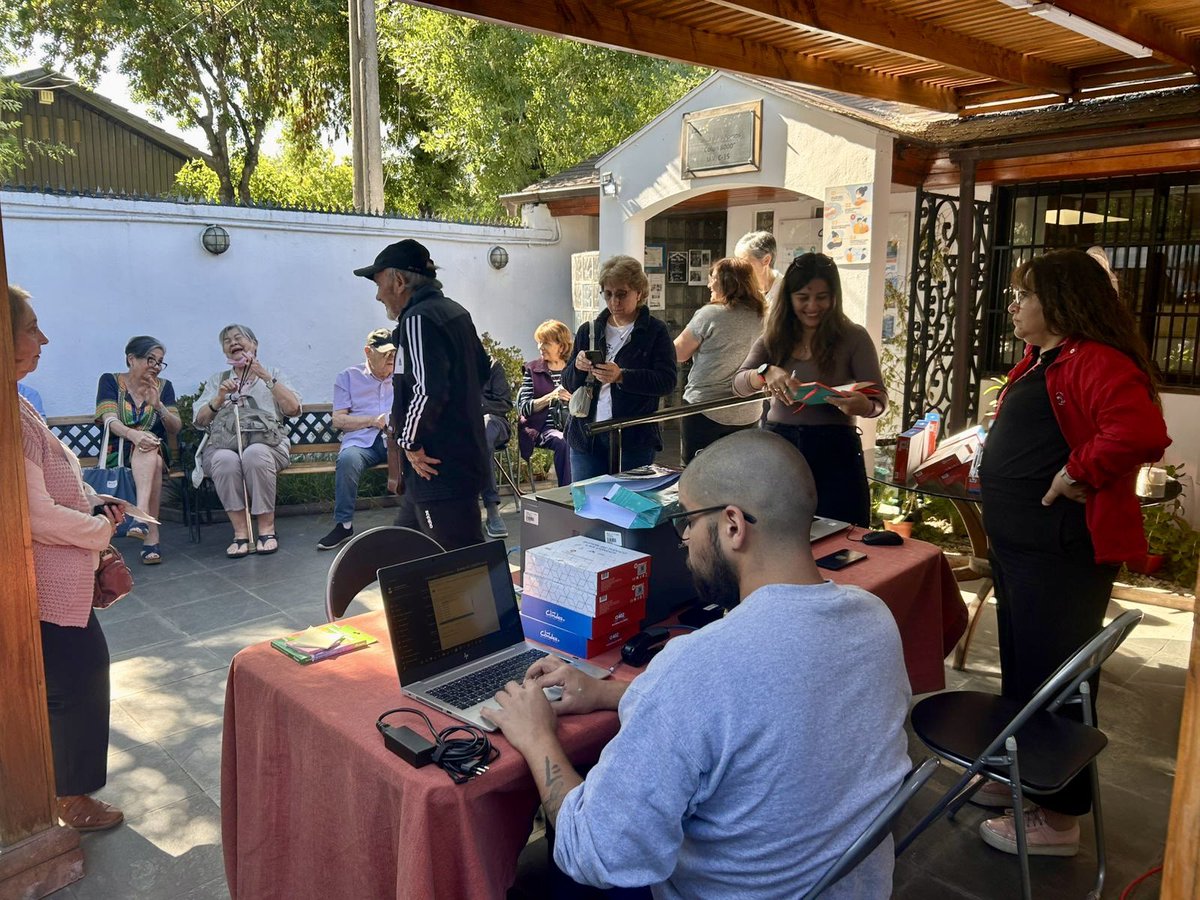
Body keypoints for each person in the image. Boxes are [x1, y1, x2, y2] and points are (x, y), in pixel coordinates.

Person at [486, 430, 911, 898]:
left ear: (733, 525)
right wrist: (612, 693)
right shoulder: (873, 618)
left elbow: (596, 853)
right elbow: (769, 700)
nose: (684, 538)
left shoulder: (699, 666)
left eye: (687, 520)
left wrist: (537, 738)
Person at [973, 248, 1170, 857]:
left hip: (1059, 553)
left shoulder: (1096, 359)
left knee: (1059, 678)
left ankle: (1058, 820)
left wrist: (1076, 471)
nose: (1014, 304)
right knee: (1026, 670)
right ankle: (1024, 777)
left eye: (1024, 294)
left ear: (1059, 302)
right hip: (1023, 549)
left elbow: (1139, 433)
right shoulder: (1043, 359)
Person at [12, 283, 125, 832]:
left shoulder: (14, 402)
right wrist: (97, 530)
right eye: (31, 328)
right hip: (43, 582)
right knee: (77, 680)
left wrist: (93, 502)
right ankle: (71, 798)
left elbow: (46, 492)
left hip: (50, 577)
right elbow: (32, 515)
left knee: (67, 678)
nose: (44, 338)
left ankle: (62, 791)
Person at [354, 238, 491, 550]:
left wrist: (409, 442)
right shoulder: (454, 311)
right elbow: (483, 370)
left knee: (461, 564)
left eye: (379, 284)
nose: (377, 295)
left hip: (436, 467)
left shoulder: (418, 318)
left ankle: (488, 600)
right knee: (403, 552)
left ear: (399, 281)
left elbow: (426, 390)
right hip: (454, 462)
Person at [733, 253, 885, 525]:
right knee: (776, 530)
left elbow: (878, 398)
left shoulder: (854, 337)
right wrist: (766, 372)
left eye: (822, 297)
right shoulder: (774, 337)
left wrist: (866, 405)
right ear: (789, 298)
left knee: (844, 531)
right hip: (780, 448)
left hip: (835, 448)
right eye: (803, 297)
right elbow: (739, 384)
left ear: (834, 297)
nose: (813, 306)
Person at [562, 255, 677, 480]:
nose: (615, 301)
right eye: (608, 294)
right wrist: (577, 366)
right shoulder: (590, 330)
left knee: (628, 507)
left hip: (633, 436)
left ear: (639, 293)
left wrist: (622, 376)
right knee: (587, 507)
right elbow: (567, 382)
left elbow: (667, 381)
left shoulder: (655, 331)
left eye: (622, 294)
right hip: (588, 434)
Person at [193, 324, 302, 558]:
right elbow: (200, 420)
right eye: (227, 341)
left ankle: (266, 530)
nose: (233, 343)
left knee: (255, 454)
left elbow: (293, 409)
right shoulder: (218, 380)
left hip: (269, 444)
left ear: (254, 344)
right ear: (224, 352)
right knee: (224, 460)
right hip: (225, 444)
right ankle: (240, 533)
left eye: (238, 338)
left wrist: (266, 377)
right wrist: (220, 398)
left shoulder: (273, 373)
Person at [94, 336, 181, 564]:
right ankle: (150, 534)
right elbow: (109, 419)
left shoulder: (164, 387)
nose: (156, 367)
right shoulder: (110, 381)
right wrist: (133, 434)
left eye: (160, 362)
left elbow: (175, 427)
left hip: (152, 449)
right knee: (153, 456)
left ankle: (141, 519)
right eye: (150, 360)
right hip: (119, 451)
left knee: (151, 446)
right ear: (131, 359)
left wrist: (158, 405)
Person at [673, 257, 765, 463]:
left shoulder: (710, 314)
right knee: (738, 474)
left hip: (705, 408)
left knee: (697, 474)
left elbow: (679, 353)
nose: (708, 284)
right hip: (749, 410)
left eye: (713, 278)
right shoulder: (763, 316)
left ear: (727, 282)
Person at [316, 328, 396, 551]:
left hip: (395, 441)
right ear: (368, 352)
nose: (391, 358)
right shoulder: (348, 377)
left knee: (418, 453)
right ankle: (344, 525)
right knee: (348, 459)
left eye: (394, 353)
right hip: (362, 442)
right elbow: (339, 420)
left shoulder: (402, 377)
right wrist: (372, 420)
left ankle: (419, 518)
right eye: (385, 353)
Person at [518, 319, 573, 486]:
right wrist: (551, 396)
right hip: (543, 428)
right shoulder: (533, 369)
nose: (540, 347)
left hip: (573, 424)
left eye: (546, 343)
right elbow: (524, 407)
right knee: (564, 442)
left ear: (561, 346)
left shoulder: (573, 369)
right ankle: (566, 495)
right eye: (539, 342)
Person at [480, 357, 513, 539]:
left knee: (483, 430)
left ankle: (492, 509)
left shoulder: (492, 365)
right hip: (461, 424)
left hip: (494, 422)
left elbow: (505, 404)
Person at [734, 230, 784, 309]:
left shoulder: (786, 291)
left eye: (744, 262)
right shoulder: (740, 289)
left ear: (766, 260)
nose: (739, 267)